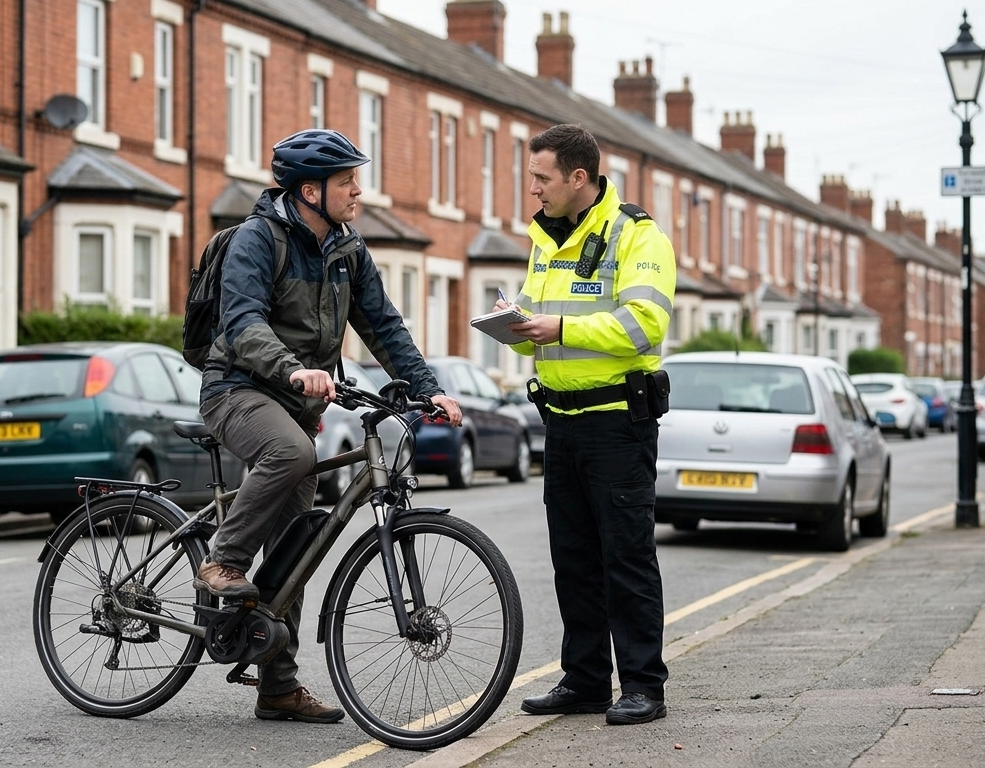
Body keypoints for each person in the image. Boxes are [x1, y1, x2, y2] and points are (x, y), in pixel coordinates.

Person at [194, 128, 464, 724]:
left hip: (296, 401)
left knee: (297, 548)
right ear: (309, 190)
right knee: (290, 452)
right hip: (238, 388)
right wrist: (293, 371)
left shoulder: (348, 249)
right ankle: (223, 561)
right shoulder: (257, 240)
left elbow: (384, 326)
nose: (357, 191)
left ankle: (278, 687)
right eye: (347, 182)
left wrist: (429, 389)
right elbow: (241, 324)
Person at [500, 124, 675, 725]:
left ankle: (644, 687)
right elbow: (541, 335)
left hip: (618, 426)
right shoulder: (545, 240)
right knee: (572, 559)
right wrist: (517, 327)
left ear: (580, 177)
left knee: (625, 558)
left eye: (541, 178)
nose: (533, 190)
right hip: (562, 425)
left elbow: (644, 324)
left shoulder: (638, 235)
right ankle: (584, 680)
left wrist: (560, 329)